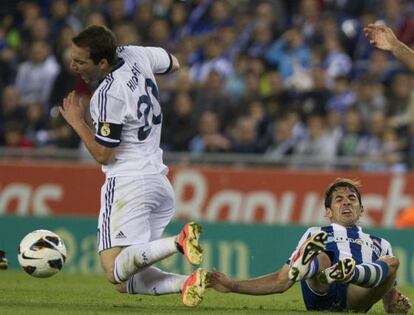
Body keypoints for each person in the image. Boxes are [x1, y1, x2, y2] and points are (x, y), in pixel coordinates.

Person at [59, 25, 206, 307]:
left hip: (128, 182)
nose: (73, 65)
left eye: (80, 61)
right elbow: (173, 63)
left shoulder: (106, 94)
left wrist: (78, 123)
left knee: (112, 269)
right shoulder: (136, 54)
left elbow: (104, 155)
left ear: (102, 62)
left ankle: (179, 241)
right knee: (125, 279)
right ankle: (186, 283)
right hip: (159, 182)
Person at [209, 178, 411, 313]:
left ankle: (346, 272)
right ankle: (314, 268)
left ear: (361, 209)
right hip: (320, 290)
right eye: (339, 200)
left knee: (392, 261)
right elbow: (282, 280)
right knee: (322, 256)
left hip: (354, 297)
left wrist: (398, 305)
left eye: (352, 199)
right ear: (329, 212)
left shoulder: (381, 243)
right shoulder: (317, 233)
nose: (347, 203)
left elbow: (388, 300)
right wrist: (233, 285)